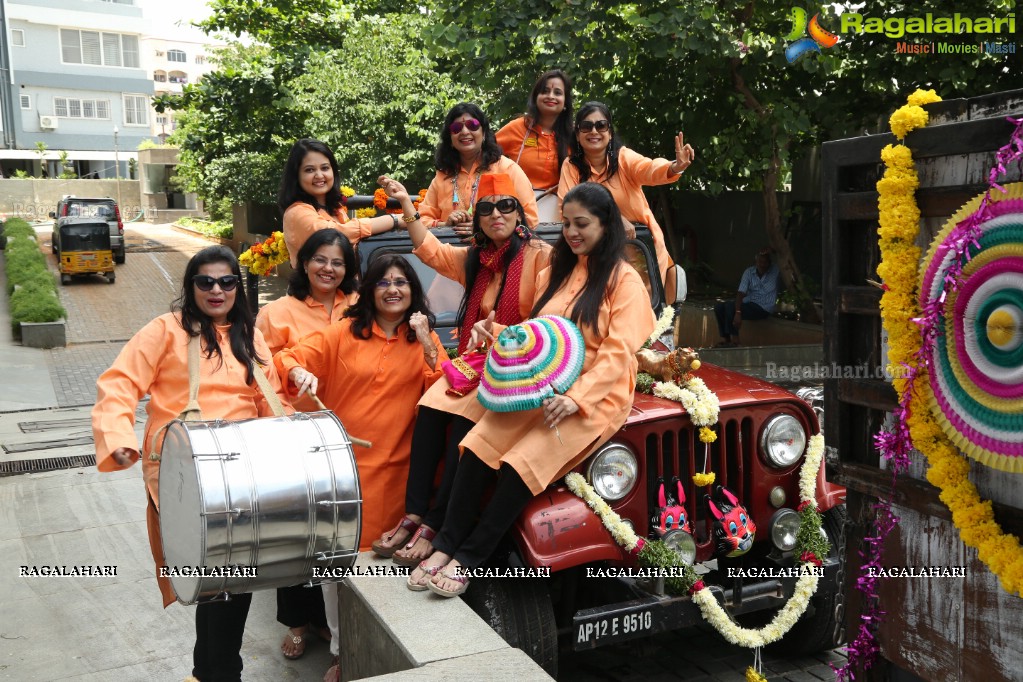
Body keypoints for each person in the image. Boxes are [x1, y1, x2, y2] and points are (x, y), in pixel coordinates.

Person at [408, 182, 656, 595]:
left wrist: (577, 398)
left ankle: (469, 559)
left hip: (595, 396)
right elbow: (540, 333)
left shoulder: (625, 281)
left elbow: (618, 352)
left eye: (583, 224)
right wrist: (496, 331)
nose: (573, 233)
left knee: (523, 462)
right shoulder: (557, 271)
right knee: (478, 443)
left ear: (606, 224)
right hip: (542, 379)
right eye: (568, 225)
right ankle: (444, 544)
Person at [92, 245, 293, 682]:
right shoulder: (163, 331)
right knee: (222, 579)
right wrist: (118, 439)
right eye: (205, 281)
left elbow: (269, 401)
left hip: (244, 473)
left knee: (229, 580)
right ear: (191, 287)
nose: (216, 290)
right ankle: (218, 672)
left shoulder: (249, 335)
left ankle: (212, 673)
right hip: (184, 476)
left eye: (226, 282)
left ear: (238, 288)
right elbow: (119, 383)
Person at [275, 254, 443, 679]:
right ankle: (340, 649)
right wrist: (298, 374)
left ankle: (377, 643)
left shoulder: (423, 338)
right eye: (383, 282)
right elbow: (287, 358)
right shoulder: (341, 334)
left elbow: (445, 391)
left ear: (413, 291)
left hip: (398, 471)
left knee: (383, 566)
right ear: (368, 290)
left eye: (402, 282)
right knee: (336, 566)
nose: (393, 289)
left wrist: (425, 342)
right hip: (342, 469)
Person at [372, 173, 552, 567]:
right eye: (486, 208)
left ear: (519, 213)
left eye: (506, 205)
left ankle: (438, 523)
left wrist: (499, 332)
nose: (496, 214)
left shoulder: (541, 256)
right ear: (478, 218)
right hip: (473, 362)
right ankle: (417, 512)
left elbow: (547, 323)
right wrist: (406, 204)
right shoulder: (475, 258)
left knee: (462, 428)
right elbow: (430, 250)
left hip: (518, 365)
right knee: (431, 408)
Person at [255, 228, 358, 661]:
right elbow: (262, 375)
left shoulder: (361, 307)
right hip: (298, 435)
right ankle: (298, 621)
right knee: (299, 532)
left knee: (341, 533)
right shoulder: (278, 312)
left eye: (338, 262)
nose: (328, 269)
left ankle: (331, 623)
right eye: (320, 259)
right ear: (304, 263)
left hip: (352, 434)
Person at [557, 101, 695, 289]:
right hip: (595, 254)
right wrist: (614, 218)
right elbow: (566, 207)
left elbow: (648, 168)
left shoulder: (623, 158)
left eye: (601, 125)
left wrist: (674, 167)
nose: (594, 131)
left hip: (641, 251)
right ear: (578, 134)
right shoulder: (571, 166)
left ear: (610, 132)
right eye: (586, 126)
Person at [417, 102, 539, 237]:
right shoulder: (442, 176)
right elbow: (422, 220)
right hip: (449, 249)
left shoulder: (507, 169)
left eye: (472, 125)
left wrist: (485, 229)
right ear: (450, 139)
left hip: (498, 252)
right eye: (456, 128)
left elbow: (530, 219)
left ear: (484, 133)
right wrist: (445, 225)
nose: (464, 132)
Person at [280, 138, 397, 268]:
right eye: (309, 170)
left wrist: (402, 200)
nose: (319, 175)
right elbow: (335, 235)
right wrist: (394, 220)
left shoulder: (337, 209)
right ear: (296, 176)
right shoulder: (296, 212)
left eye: (325, 168)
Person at [496, 69, 574, 221]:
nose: (551, 96)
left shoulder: (573, 137)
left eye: (557, 93)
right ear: (536, 97)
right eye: (545, 91)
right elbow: (485, 154)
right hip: (515, 214)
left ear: (565, 102)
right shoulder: (518, 127)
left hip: (559, 215)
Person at [714, 248, 779, 347]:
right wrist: (738, 312)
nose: (762, 265)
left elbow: (781, 254)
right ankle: (727, 339)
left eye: (765, 262)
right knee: (719, 307)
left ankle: (736, 341)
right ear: (755, 262)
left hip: (763, 308)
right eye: (760, 262)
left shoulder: (774, 270)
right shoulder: (749, 272)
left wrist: (769, 249)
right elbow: (741, 292)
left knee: (730, 307)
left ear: (769, 263)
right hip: (749, 303)